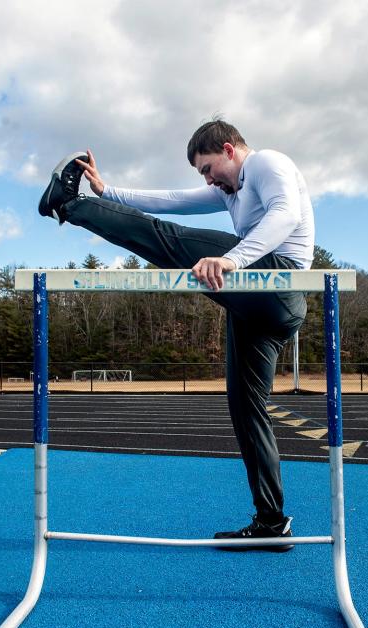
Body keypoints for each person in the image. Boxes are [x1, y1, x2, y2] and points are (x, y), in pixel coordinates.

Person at [37, 120, 315, 551]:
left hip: (278, 284)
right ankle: (272, 522)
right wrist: (109, 191)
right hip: (258, 308)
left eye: (207, 168)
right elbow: (172, 201)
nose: (207, 180)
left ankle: (69, 205)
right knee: (246, 410)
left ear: (228, 150)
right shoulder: (231, 188)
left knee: (169, 242)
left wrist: (234, 260)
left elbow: (286, 215)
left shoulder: (265, 163)